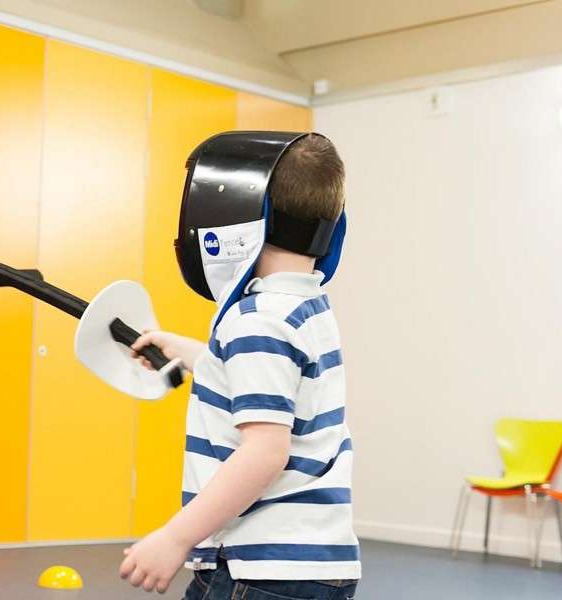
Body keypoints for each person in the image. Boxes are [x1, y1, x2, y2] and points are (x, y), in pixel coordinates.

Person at [119, 133, 359, 598]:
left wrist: (175, 537)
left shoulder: (256, 321)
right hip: (309, 565)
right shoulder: (305, 307)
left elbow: (266, 452)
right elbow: (276, 383)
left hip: (258, 567)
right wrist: (197, 356)